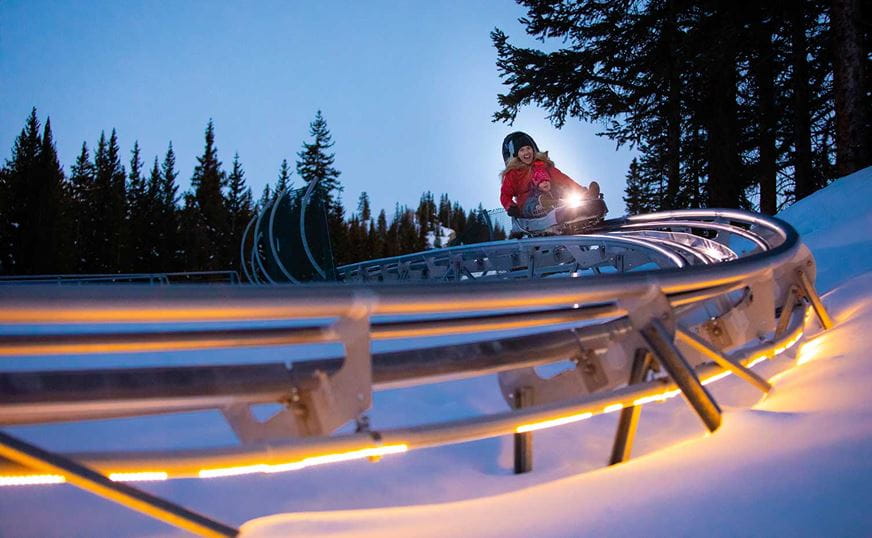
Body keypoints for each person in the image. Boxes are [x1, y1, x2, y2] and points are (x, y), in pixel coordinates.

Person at [499, 131, 600, 219]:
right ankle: (544, 205)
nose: (526, 152)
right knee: (533, 203)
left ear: (533, 150)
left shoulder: (543, 166)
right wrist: (511, 207)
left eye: (528, 148)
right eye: (522, 150)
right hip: (528, 203)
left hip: (551, 197)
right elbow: (505, 194)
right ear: (517, 155)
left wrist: (580, 189)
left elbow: (564, 179)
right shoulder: (513, 173)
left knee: (561, 188)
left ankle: (587, 196)